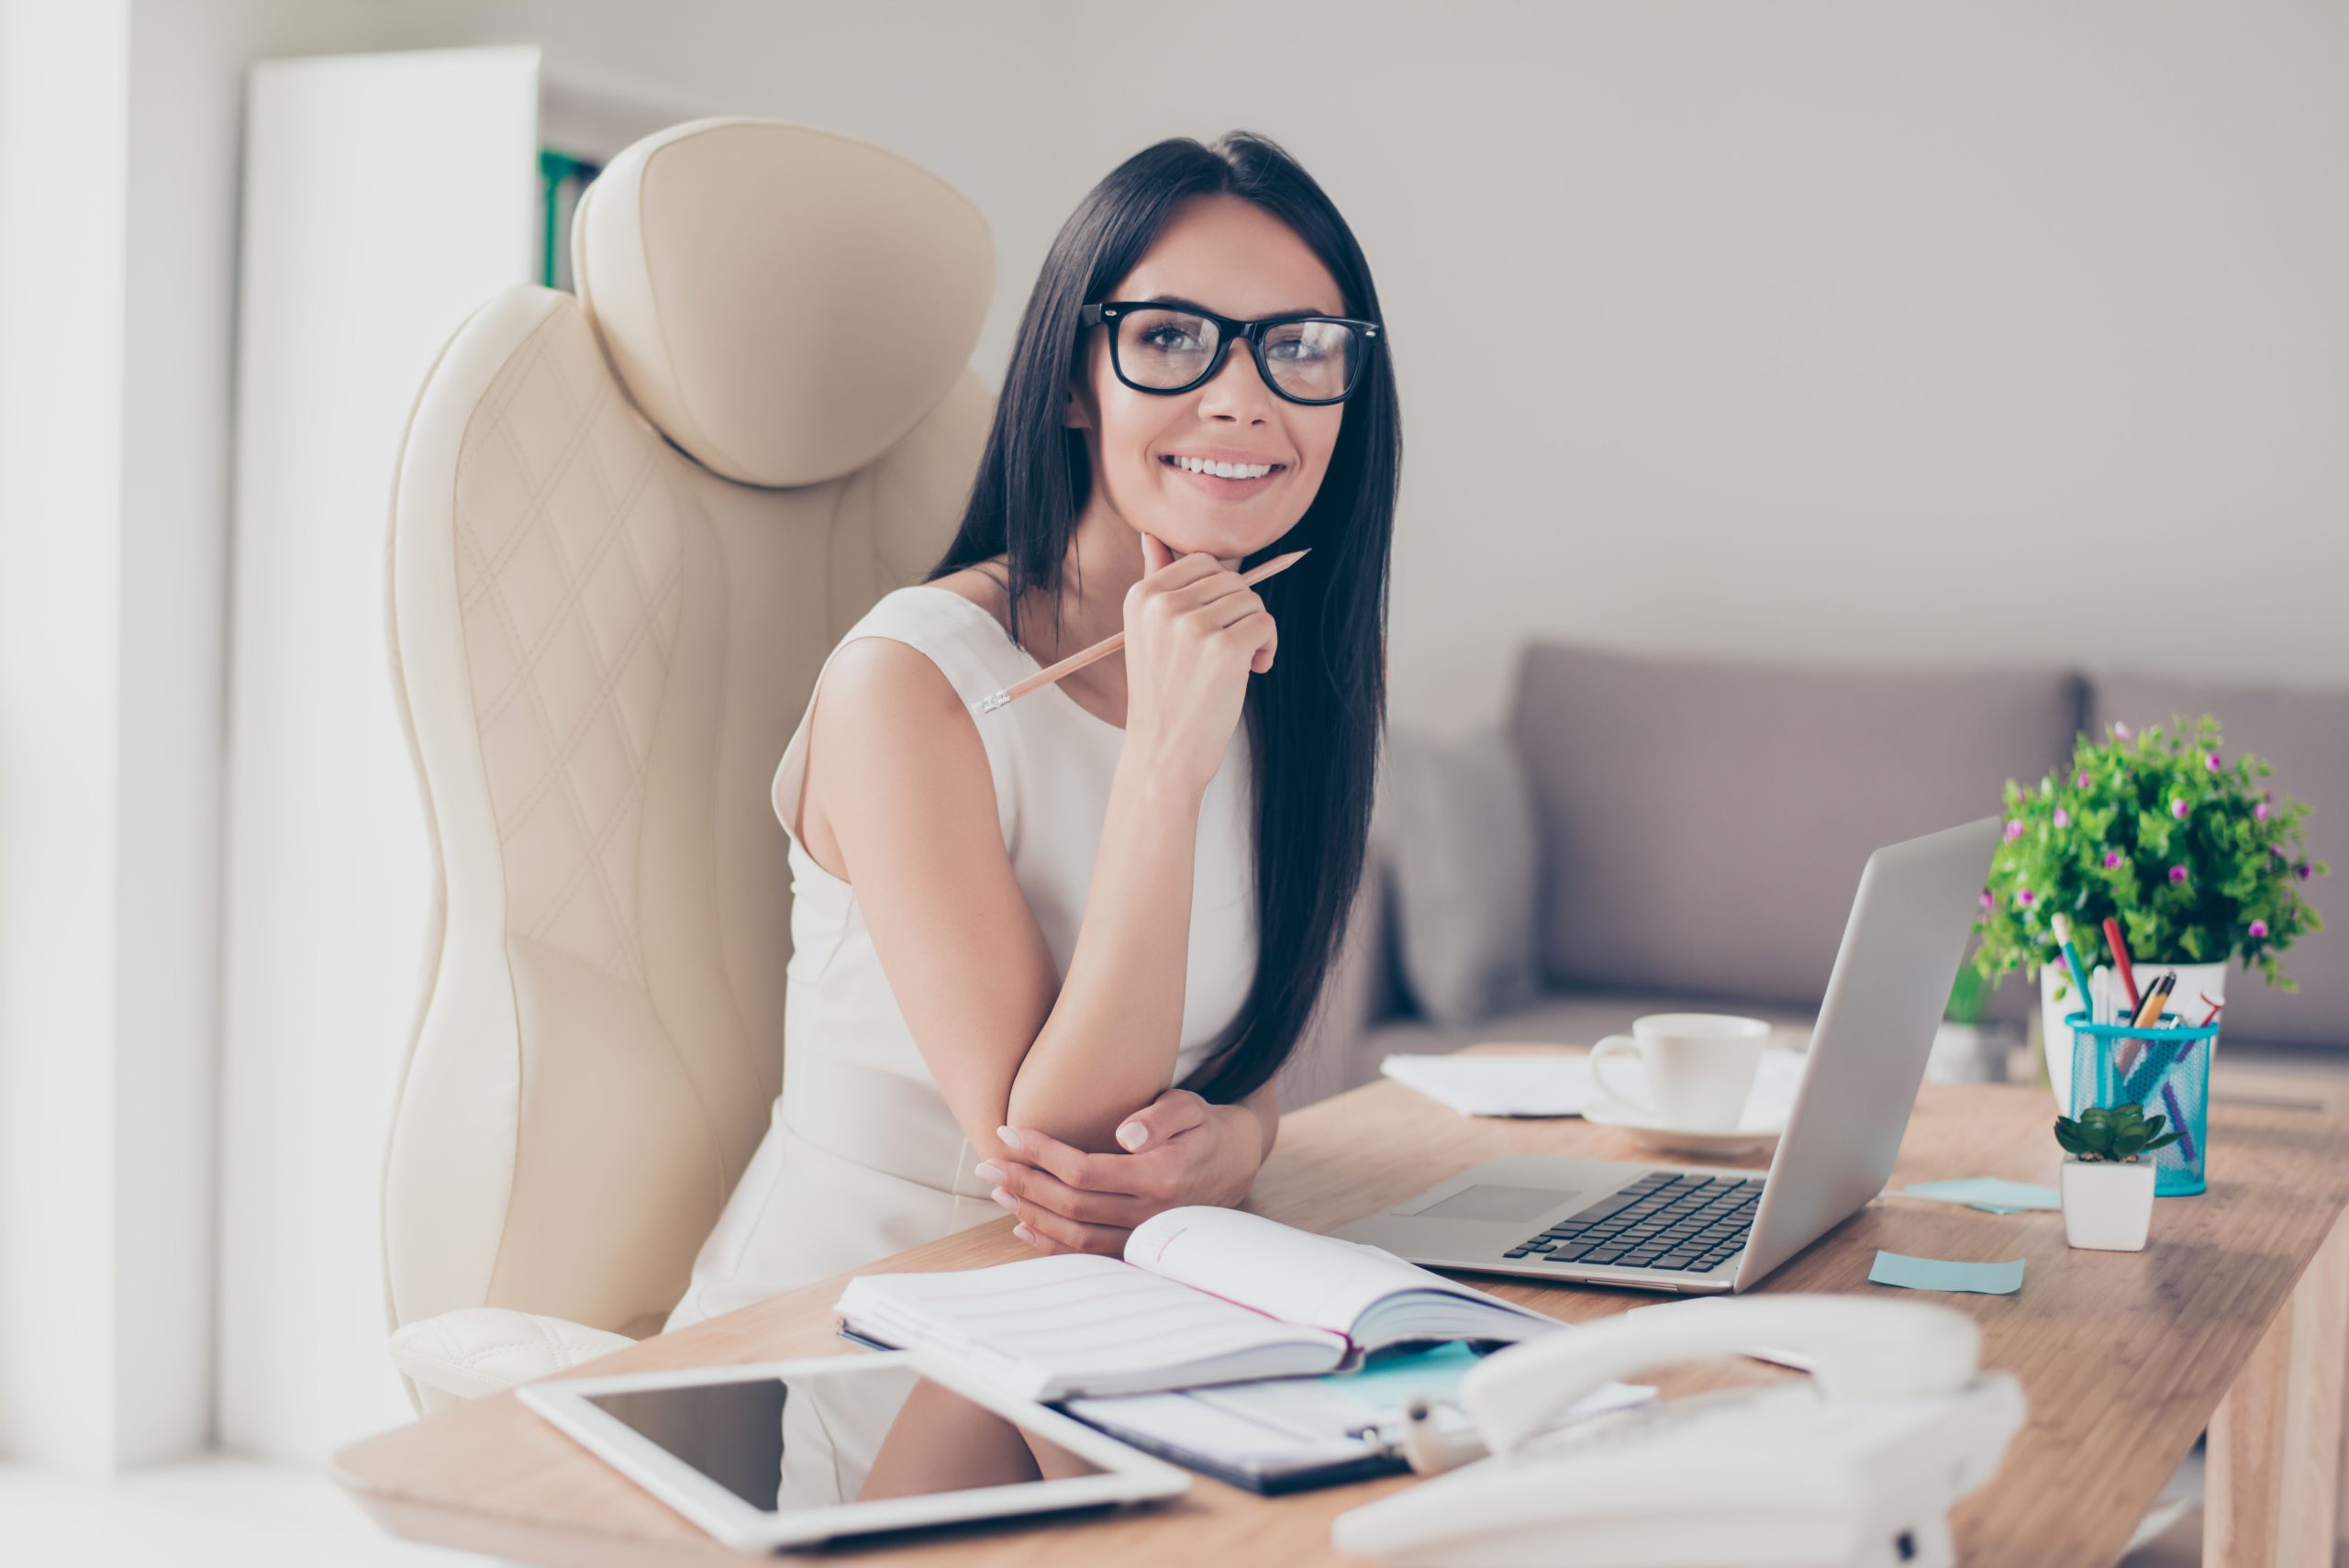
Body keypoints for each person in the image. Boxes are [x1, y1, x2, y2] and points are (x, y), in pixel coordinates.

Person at [665, 129, 1399, 1331]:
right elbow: (1050, 1158)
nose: (1241, 396)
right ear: (1071, 378)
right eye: (1169, 337)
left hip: (1118, 1318)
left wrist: (1228, 1144)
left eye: (1301, 348)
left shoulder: (1265, 657)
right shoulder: (905, 683)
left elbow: (1239, 1058)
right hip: (874, 1320)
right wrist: (1164, 763)